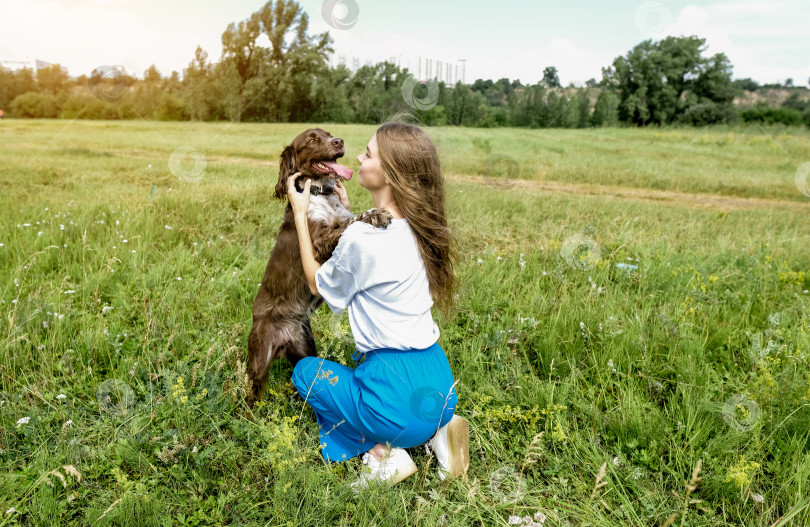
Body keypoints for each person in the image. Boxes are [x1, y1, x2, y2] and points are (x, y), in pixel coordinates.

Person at [287, 120, 469, 489]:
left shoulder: (360, 237)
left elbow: (315, 283)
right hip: (439, 383)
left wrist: (299, 215)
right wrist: (351, 216)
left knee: (305, 372)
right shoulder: (420, 225)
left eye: (368, 154)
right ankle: (439, 432)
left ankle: (382, 454)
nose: (358, 157)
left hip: (393, 399)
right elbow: (375, 248)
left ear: (390, 174)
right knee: (365, 371)